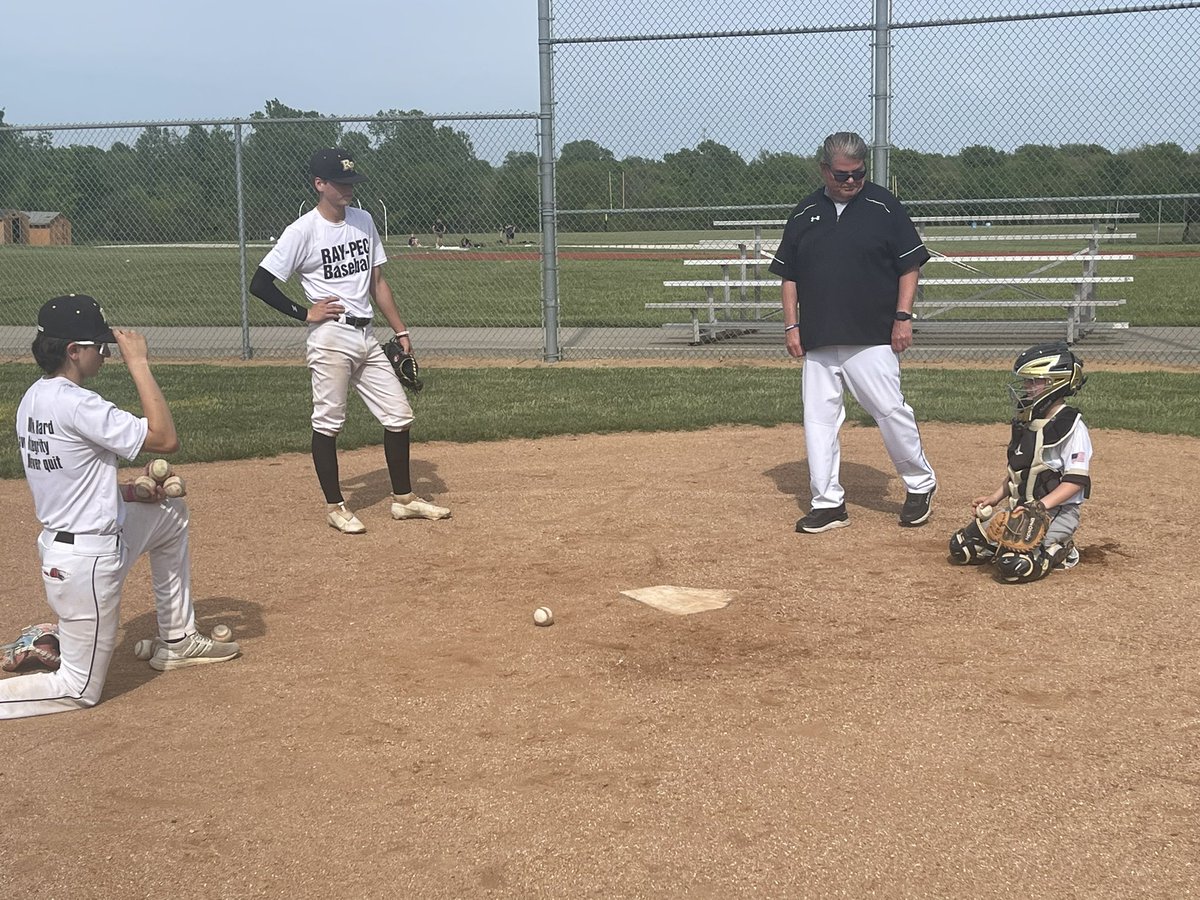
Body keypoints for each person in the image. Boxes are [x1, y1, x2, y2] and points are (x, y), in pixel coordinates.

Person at [1, 295, 240, 720]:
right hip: (87, 561)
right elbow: (165, 438)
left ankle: (178, 639)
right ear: (73, 352)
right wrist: (140, 364)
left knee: (169, 516)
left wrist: (126, 492)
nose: (106, 352)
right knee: (77, 689)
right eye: (98, 345)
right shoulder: (79, 404)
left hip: (74, 544)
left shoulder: (34, 398)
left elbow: (67, 475)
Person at [249, 148, 450, 534]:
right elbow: (260, 283)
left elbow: (377, 283)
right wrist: (304, 313)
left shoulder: (363, 220)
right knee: (328, 423)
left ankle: (404, 500)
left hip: (366, 335)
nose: (349, 190)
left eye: (352, 182)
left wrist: (401, 331)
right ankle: (335, 506)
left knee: (399, 415)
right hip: (330, 338)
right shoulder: (302, 231)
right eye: (340, 184)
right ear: (319, 185)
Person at [769, 131, 937, 534]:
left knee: (890, 411)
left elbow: (909, 265)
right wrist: (792, 325)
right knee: (819, 422)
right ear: (824, 169)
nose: (850, 182)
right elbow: (788, 275)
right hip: (819, 336)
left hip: (873, 334)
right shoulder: (804, 211)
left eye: (858, 174)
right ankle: (828, 503)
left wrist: (902, 316)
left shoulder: (884, 206)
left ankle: (919, 483)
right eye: (842, 174)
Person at [948, 342, 1090, 583]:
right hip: (1020, 512)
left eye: (1034, 381)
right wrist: (995, 498)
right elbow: (1021, 471)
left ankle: (1061, 549)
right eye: (1026, 381)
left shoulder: (1072, 427)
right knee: (963, 548)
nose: (1026, 387)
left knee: (1015, 566)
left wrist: (1040, 507)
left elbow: (1076, 481)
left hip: (1056, 513)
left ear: (1055, 383)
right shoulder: (1028, 422)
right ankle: (1005, 547)